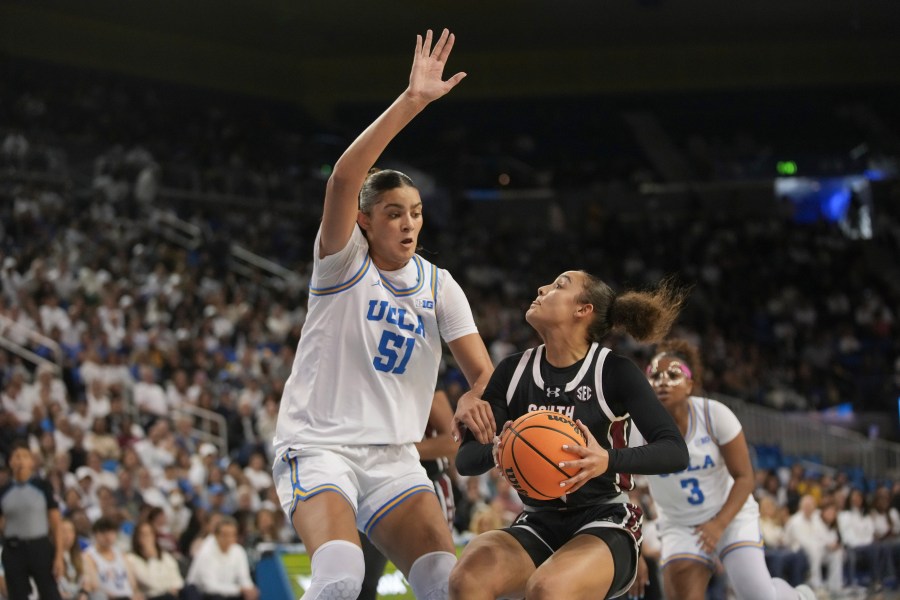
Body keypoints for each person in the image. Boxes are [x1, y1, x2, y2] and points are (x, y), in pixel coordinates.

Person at [271, 28, 493, 600]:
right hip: (319, 446)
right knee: (342, 577)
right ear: (366, 222)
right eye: (393, 213)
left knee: (448, 583)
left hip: (393, 457)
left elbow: (483, 376)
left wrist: (475, 398)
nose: (408, 224)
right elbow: (346, 177)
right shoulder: (341, 263)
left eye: (416, 213)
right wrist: (412, 101)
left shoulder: (441, 288)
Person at [449, 271, 691, 600]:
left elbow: (675, 451)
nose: (542, 287)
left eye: (559, 285)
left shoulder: (614, 371)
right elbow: (465, 460)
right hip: (537, 519)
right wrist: (497, 449)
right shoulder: (512, 371)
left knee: (549, 588)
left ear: (583, 310)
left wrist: (608, 459)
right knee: (467, 578)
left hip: (605, 518)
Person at [628, 339, 815, 600]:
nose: (663, 381)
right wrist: (633, 551)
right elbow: (623, 492)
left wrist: (719, 525)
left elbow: (745, 477)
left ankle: (800, 596)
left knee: (760, 597)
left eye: (673, 375)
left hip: (730, 516)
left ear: (690, 385)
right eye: (654, 376)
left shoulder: (716, 415)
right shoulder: (635, 430)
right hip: (679, 525)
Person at [359, 387, 459, 600]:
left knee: (438, 578)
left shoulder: (426, 383)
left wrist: (399, 451)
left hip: (428, 484)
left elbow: (453, 442)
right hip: (374, 485)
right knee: (363, 582)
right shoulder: (366, 382)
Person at [0, 440, 64, 600]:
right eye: (16, 456)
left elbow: (56, 523)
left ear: (32, 461)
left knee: (50, 594)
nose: (20, 460)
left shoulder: (42, 486)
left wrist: (59, 556)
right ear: (10, 461)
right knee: (17, 595)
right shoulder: (4, 491)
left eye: (24, 456)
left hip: (39, 546)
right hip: (13, 548)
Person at [184, 516, 258, 600]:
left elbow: (244, 578)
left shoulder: (238, 551)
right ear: (216, 535)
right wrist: (239, 589)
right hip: (200, 592)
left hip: (228, 591)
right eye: (225, 535)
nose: (228, 539)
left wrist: (249, 589)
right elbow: (209, 587)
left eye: (232, 535)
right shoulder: (206, 552)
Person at [84, 516, 143, 600]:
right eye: (103, 533)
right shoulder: (89, 556)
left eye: (111, 532)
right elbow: (94, 586)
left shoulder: (121, 554)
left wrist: (135, 594)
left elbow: (132, 583)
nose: (108, 537)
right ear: (95, 534)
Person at [126, 521, 185, 600]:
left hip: (172, 593)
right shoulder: (132, 559)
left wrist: (174, 587)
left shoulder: (165, 556)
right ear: (137, 538)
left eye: (149, 534)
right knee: (168, 597)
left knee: (191, 589)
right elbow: (151, 583)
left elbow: (178, 580)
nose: (147, 538)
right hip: (153, 596)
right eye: (143, 535)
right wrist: (152, 557)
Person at [58, 518, 97, 600]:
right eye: (64, 531)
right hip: (60, 595)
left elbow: (88, 582)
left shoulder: (81, 557)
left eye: (71, 531)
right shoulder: (51, 558)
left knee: (98, 595)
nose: (68, 535)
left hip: (78, 595)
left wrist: (84, 593)